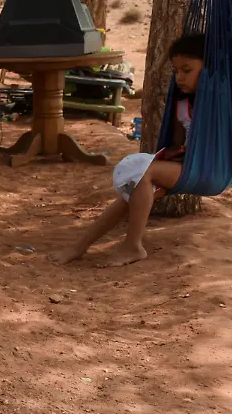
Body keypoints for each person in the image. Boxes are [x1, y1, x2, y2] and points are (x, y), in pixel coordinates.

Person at [51, 33, 205, 267]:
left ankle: (132, 246)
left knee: (144, 174)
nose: (180, 77)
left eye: (187, 70)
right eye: (176, 71)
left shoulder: (218, 102)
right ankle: (78, 247)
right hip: (186, 165)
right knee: (132, 193)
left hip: (208, 167)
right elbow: (176, 143)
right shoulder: (182, 103)